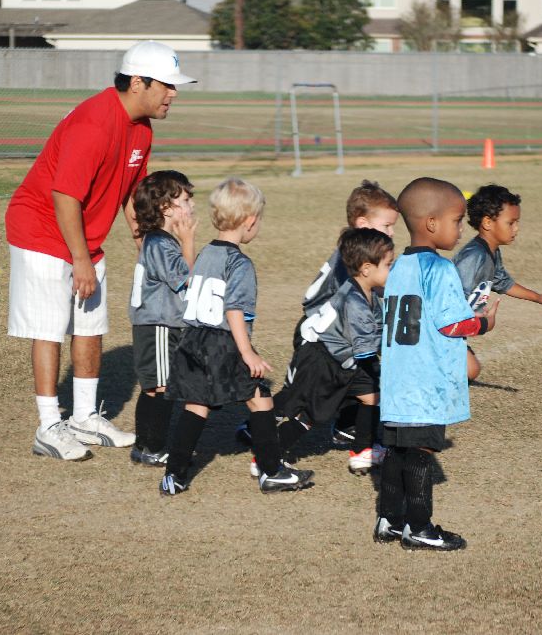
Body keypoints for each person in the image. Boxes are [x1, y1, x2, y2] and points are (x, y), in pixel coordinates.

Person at [6, 40, 196, 461]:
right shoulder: (94, 122)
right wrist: (79, 259)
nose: (173, 94)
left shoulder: (141, 128)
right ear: (137, 82)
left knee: (90, 324)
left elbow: (133, 192)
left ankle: (84, 417)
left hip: (83, 238)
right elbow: (64, 195)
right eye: (167, 85)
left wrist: (144, 241)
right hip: (41, 230)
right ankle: (48, 426)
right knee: (50, 327)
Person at [160, 178, 315, 496]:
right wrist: (247, 352)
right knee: (261, 400)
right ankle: (272, 471)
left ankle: (173, 475)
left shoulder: (207, 253)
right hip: (223, 342)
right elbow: (233, 311)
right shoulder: (239, 263)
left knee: (196, 405)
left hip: (191, 340)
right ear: (250, 221)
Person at [373, 177, 499, 551]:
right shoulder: (439, 269)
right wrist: (483, 323)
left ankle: (389, 520)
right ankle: (419, 527)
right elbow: (452, 324)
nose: (461, 230)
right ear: (431, 223)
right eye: (457, 221)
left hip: (397, 378)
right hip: (425, 380)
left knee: (397, 450)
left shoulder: (397, 267)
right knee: (421, 452)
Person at [235, 180, 399, 448]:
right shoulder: (352, 260)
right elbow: (329, 301)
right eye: (387, 225)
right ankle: (257, 427)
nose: (391, 232)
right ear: (362, 223)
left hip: (334, 332)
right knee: (302, 394)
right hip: (319, 333)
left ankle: (348, 428)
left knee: (356, 378)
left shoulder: (360, 252)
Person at [271, 228, 394, 475]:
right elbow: (366, 350)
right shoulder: (355, 301)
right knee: (309, 416)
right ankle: (268, 456)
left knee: (372, 395)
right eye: (388, 265)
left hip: (344, 361)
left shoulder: (368, 293)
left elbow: (378, 331)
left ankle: (363, 451)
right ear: (367, 268)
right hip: (323, 362)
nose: (392, 271)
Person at [453, 184, 542, 382]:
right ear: (488, 222)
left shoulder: (492, 251)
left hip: (457, 326)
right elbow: (452, 295)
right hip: (442, 326)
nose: (516, 229)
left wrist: (537, 297)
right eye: (511, 223)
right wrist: (477, 319)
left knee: (470, 369)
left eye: (517, 223)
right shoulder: (474, 257)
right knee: (470, 370)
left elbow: (503, 283)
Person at [128, 170, 197, 466]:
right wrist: (189, 240)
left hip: (161, 324)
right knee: (160, 387)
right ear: (166, 208)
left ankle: (145, 446)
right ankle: (151, 448)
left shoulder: (159, 241)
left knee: (157, 387)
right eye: (186, 199)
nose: (192, 205)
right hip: (158, 325)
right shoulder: (160, 243)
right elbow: (186, 279)